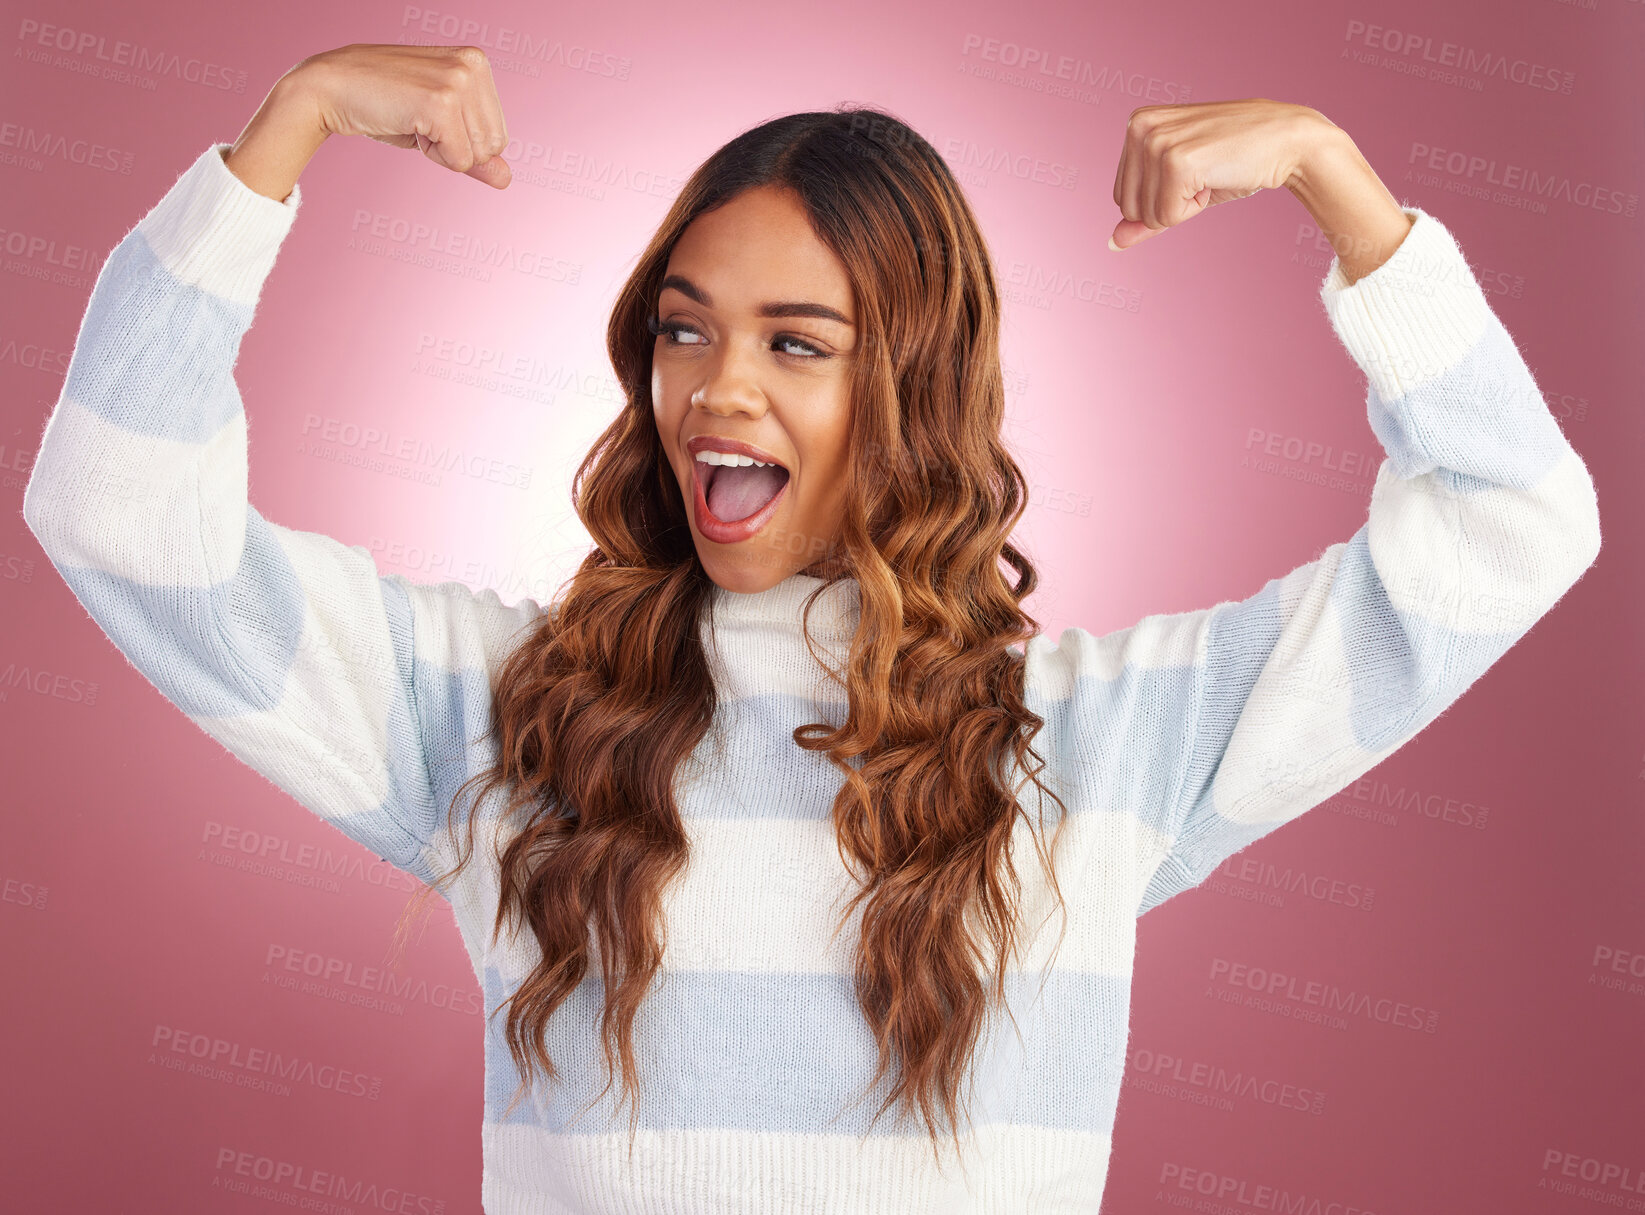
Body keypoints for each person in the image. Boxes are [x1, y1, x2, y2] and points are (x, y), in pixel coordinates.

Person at [21, 42, 1601, 1215]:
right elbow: (114, 514)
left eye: (799, 342)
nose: (716, 387)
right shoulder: (502, 716)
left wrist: (1338, 184)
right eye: (685, 327)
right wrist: (279, 136)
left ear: (909, 389)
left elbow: (1511, 521)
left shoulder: (1101, 740)